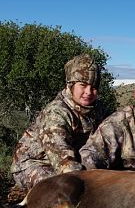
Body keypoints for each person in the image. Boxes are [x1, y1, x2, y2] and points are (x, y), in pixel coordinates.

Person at [11, 54, 106, 190]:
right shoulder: (56, 113)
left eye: (94, 87)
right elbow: (63, 160)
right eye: (83, 85)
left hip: (74, 161)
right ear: (70, 85)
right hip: (35, 164)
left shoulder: (98, 109)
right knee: (61, 189)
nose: (89, 92)